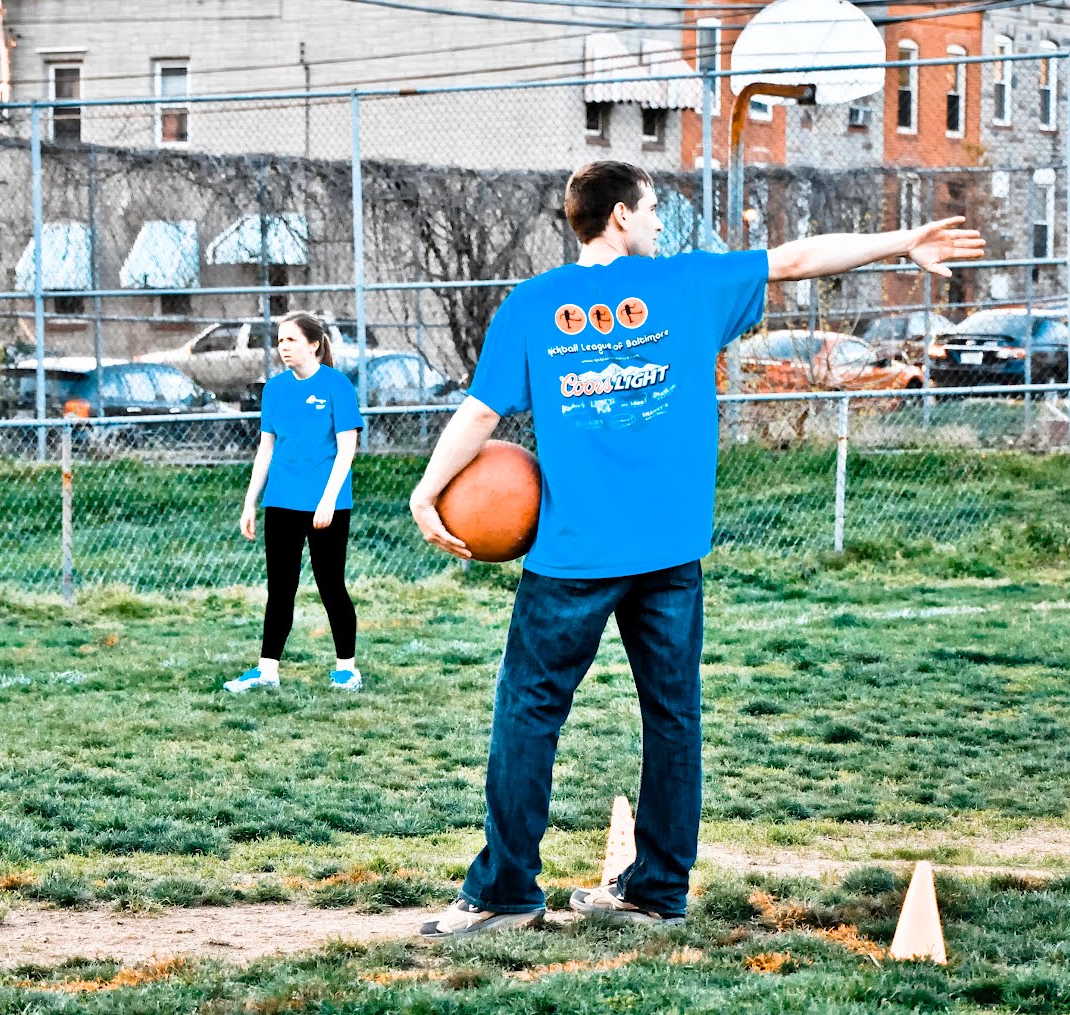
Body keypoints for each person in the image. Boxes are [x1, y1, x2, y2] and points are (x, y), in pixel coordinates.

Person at [408, 161, 984, 939]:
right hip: (661, 550)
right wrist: (903, 241)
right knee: (672, 716)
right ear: (617, 216)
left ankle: (510, 891)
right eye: (650, 211)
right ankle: (656, 890)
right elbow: (796, 258)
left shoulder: (534, 305)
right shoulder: (682, 288)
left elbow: (479, 415)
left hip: (579, 555)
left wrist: (425, 489)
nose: (657, 225)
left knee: (529, 714)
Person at [225, 311, 366, 694]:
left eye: (290, 339)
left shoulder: (337, 386)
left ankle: (347, 668)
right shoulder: (274, 389)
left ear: (314, 343)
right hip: (282, 502)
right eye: (280, 340)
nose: (283, 347)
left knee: (330, 586)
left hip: (327, 506)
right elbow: (265, 450)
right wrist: (250, 502)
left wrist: (328, 500)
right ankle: (267, 670)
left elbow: (346, 451)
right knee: (280, 589)